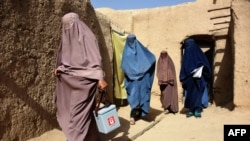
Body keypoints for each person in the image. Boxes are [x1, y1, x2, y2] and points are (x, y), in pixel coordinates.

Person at [54, 12, 107, 141]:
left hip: (85, 84)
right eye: (64, 25)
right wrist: (60, 68)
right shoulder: (66, 37)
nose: (67, 28)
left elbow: (95, 58)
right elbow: (66, 59)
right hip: (70, 83)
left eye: (69, 24)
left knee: (77, 117)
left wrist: (100, 77)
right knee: (78, 114)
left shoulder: (87, 36)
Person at [121, 34, 156, 125]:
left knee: (143, 95)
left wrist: (143, 70)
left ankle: (142, 114)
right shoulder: (126, 52)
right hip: (132, 81)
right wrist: (131, 73)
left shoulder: (141, 50)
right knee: (134, 98)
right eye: (129, 40)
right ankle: (132, 116)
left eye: (132, 40)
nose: (131, 42)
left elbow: (151, 58)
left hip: (142, 80)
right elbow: (124, 66)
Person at [179, 38, 211, 118]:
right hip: (189, 79)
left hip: (199, 78)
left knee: (198, 93)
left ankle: (197, 109)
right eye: (187, 46)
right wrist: (182, 78)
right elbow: (183, 68)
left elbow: (206, 64)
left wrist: (200, 68)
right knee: (190, 94)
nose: (188, 48)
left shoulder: (200, 55)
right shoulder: (186, 56)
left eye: (189, 46)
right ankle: (191, 109)